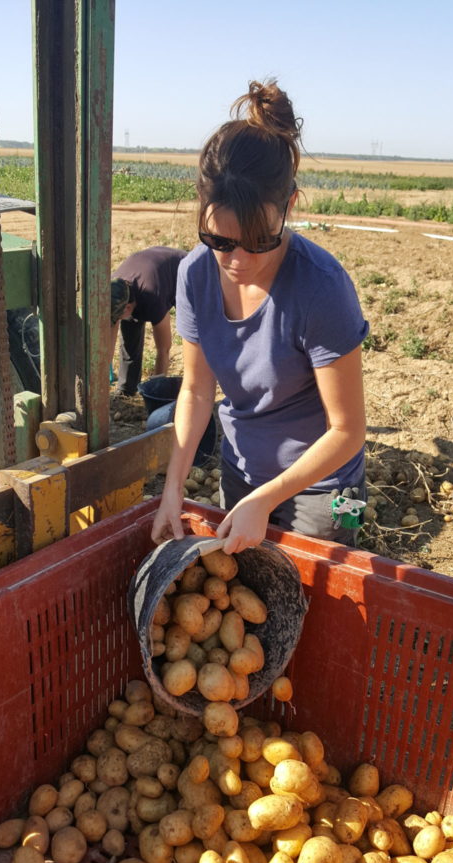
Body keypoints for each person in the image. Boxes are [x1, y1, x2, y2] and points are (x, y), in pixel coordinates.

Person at [152, 80, 368, 554]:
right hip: (243, 472)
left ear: (288, 206)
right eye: (220, 241)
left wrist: (267, 500)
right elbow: (196, 389)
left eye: (260, 242)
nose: (238, 262)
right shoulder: (193, 275)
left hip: (329, 489)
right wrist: (173, 489)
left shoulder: (322, 288)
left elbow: (349, 431)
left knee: (326, 595)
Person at [110, 246, 188, 396]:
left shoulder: (153, 297)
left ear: (127, 307)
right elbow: (109, 340)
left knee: (193, 329)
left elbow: (163, 349)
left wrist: (157, 390)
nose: (115, 322)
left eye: (116, 317)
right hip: (147, 275)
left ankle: (171, 390)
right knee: (129, 339)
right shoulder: (113, 291)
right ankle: (126, 390)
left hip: (180, 270)